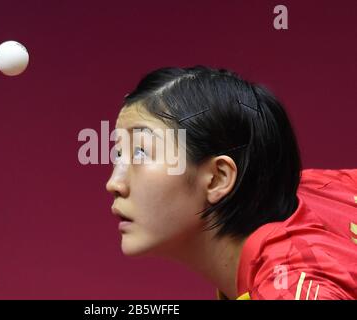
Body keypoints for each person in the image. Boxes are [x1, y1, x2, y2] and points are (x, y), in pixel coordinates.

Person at [105, 65, 357, 300]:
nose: (114, 184)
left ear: (218, 178)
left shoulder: (285, 287)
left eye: (141, 154)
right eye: (119, 155)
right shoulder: (312, 188)